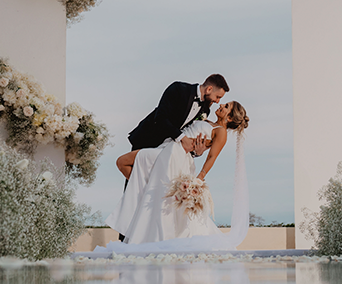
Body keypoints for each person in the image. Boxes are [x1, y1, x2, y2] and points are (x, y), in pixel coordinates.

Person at [107, 100, 250, 247]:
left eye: (226, 107)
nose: (221, 105)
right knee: (124, 164)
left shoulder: (221, 132)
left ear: (230, 118)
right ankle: (150, 194)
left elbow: (212, 156)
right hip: (167, 148)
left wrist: (200, 177)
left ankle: (151, 196)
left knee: (122, 161)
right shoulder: (207, 120)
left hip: (175, 155)